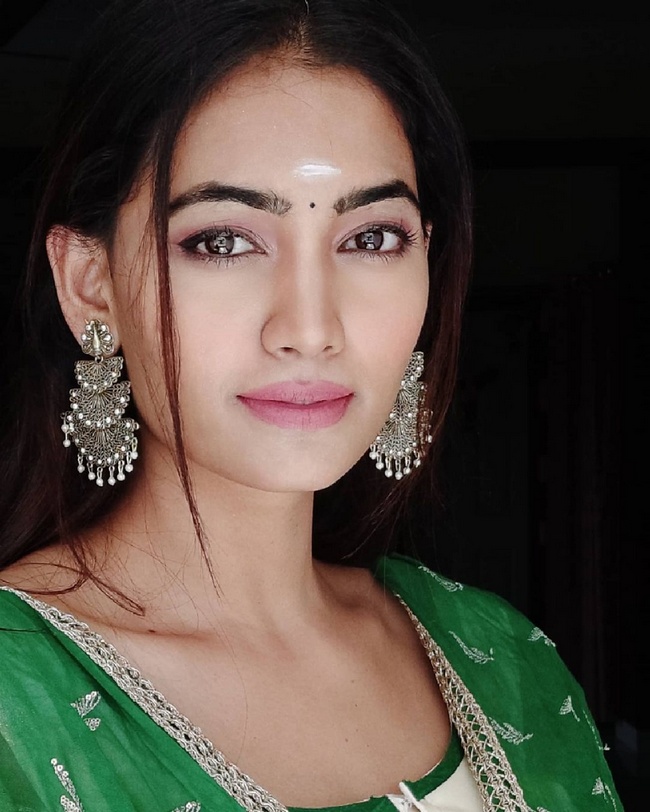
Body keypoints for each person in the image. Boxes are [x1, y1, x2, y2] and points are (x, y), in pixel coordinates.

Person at [0, 1, 621, 810]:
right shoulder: (18, 695)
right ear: (92, 284)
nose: (310, 328)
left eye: (371, 239)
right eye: (223, 241)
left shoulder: (503, 657)